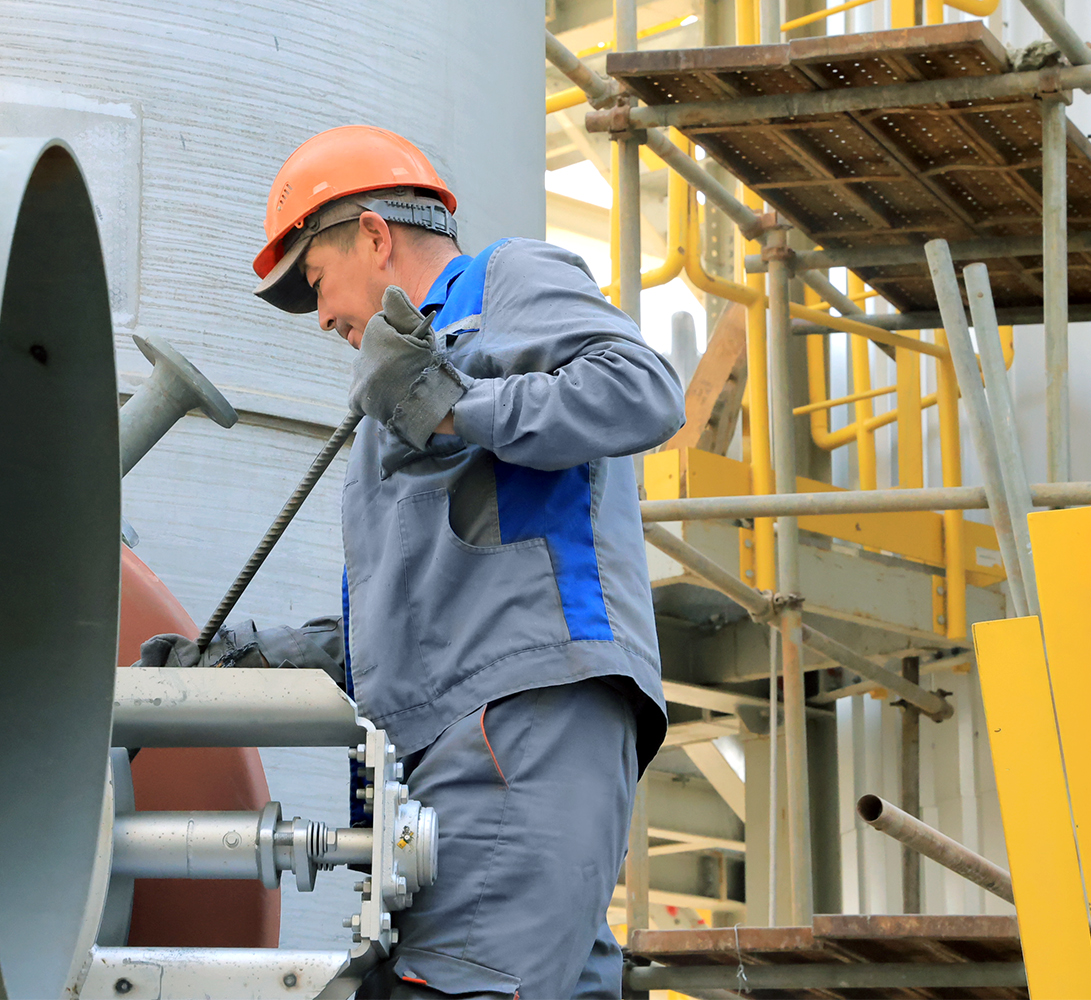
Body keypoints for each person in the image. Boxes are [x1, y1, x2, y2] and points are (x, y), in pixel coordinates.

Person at [142, 125, 685, 999]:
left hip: (517, 717)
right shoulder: (399, 395)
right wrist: (257, 662)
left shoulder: (501, 281)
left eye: (316, 280)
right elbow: (435, 611)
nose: (322, 317)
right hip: (461, 743)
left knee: (453, 981)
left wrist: (453, 408)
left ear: (374, 235)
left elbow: (643, 391)